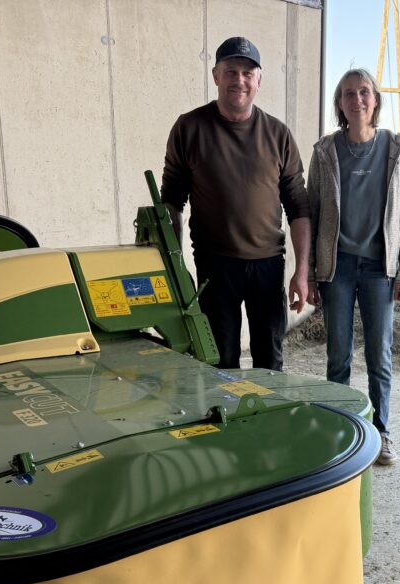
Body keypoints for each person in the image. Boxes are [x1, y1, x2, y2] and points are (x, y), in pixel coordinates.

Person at [160, 36, 311, 371]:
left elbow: (299, 207)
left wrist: (302, 272)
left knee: (269, 363)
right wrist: (175, 268)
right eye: (230, 71)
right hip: (215, 267)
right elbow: (171, 203)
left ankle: (267, 408)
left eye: (247, 73)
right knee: (219, 363)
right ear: (216, 75)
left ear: (259, 80)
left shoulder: (279, 135)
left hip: (268, 266)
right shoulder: (189, 128)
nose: (239, 80)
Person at [306, 69, 400, 466]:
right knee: (338, 355)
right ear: (340, 103)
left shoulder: (395, 149)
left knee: (379, 357)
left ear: (375, 99)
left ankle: (381, 432)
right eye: (349, 94)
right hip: (337, 267)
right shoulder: (325, 151)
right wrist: (312, 272)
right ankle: (340, 430)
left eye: (364, 92)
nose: (357, 100)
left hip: (378, 269)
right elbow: (312, 213)